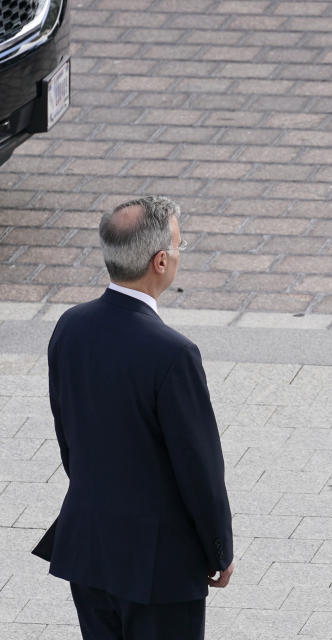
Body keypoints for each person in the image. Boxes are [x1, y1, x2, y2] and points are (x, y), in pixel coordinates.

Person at [39, 196, 234, 639]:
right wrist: (219, 550)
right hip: (158, 568)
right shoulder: (173, 354)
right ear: (160, 261)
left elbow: (68, 437)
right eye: (182, 246)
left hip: (88, 548)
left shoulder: (70, 327)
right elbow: (199, 467)